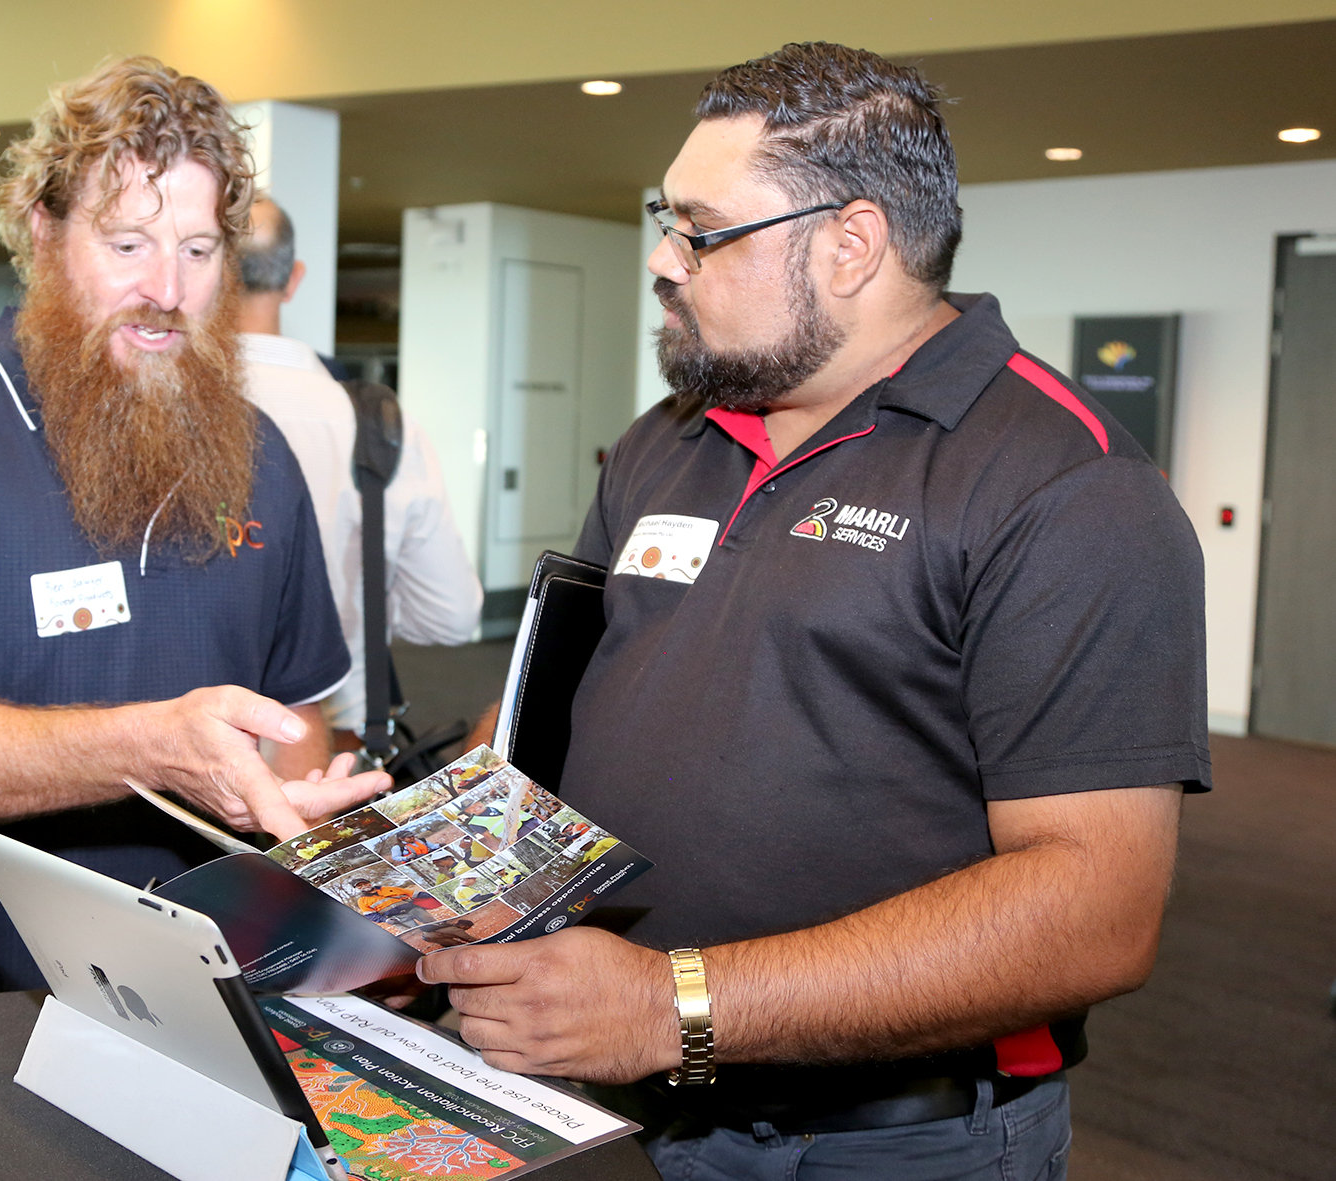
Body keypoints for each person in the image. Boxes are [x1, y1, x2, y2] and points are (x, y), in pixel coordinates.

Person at [421, 43, 1209, 1179]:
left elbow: (1095, 907)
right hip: (623, 1100)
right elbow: (552, 708)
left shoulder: (1062, 485)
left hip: (891, 1140)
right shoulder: (666, 438)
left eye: (701, 230)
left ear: (849, 245)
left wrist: (675, 1005)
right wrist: (415, 872)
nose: (662, 260)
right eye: (665, 221)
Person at [0, 56, 387, 1019]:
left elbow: (296, 712)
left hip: (204, 1008)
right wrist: (147, 746)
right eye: (128, 244)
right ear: (44, 231)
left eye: (198, 250)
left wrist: (298, 815)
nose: (168, 288)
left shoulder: (262, 454)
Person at [236, 196, 483, 751]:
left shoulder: (150, 416)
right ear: (293, 280)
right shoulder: (374, 420)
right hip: (339, 751)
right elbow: (450, 618)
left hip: (188, 754)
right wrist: (358, 596)